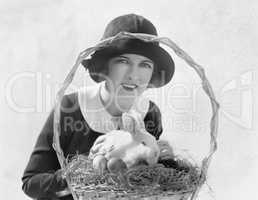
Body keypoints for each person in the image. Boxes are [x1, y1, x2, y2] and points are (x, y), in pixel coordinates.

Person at [21, 13, 175, 200]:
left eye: (145, 65)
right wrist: (80, 176)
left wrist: (165, 165)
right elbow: (31, 183)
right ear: (105, 66)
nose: (134, 75)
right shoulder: (70, 107)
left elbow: (144, 183)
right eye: (123, 61)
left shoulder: (150, 113)